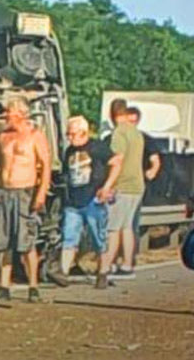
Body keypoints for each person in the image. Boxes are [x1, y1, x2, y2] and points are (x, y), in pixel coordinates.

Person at [0, 96, 52, 303]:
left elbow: (45, 165)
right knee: (3, 242)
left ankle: (33, 287)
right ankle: (3, 286)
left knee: (26, 243)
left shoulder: (35, 136)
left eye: (8, 111)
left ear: (20, 114)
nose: (5, 115)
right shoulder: (3, 136)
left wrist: (41, 193)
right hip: (4, 192)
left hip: (25, 193)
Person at [47, 116, 122, 289]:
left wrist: (107, 186)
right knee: (69, 237)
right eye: (68, 134)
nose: (70, 137)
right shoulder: (69, 151)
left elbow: (117, 162)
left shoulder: (98, 147)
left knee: (99, 238)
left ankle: (103, 272)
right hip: (73, 201)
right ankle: (63, 273)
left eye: (72, 134)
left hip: (93, 199)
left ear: (83, 132)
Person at [101, 99, 144, 279]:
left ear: (112, 114)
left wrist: (107, 185)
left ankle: (106, 266)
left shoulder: (119, 133)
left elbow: (117, 160)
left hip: (122, 185)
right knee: (127, 227)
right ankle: (127, 265)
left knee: (113, 228)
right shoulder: (136, 133)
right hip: (137, 185)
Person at [120, 106, 162, 269]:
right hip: (117, 185)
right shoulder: (116, 137)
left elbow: (155, 160)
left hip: (135, 186)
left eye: (133, 121)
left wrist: (151, 171)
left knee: (130, 223)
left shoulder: (144, 139)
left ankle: (129, 258)